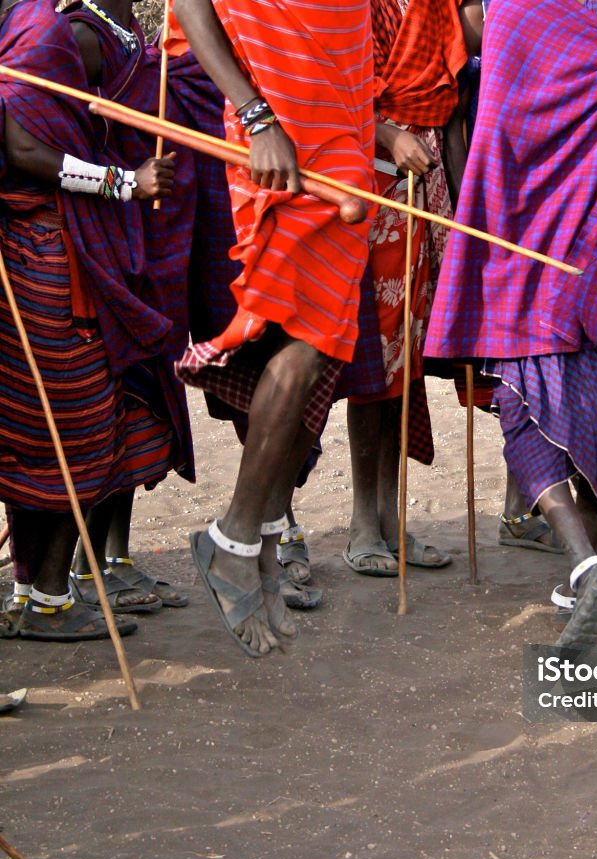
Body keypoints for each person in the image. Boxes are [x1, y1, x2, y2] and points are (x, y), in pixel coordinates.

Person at [424, 0, 597, 648]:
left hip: (528, 231)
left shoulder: (505, 14)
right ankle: (580, 576)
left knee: (523, 394)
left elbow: (473, 123)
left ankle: (582, 560)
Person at [174, 0, 373, 656]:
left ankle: (252, 541)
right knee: (303, 339)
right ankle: (232, 539)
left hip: (346, 143)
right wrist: (256, 115)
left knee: (317, 353)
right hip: (279, 142)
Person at [0, 0, 174, 641]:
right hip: (46, 255)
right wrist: (123, 183)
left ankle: (35, 593)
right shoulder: (48, 31)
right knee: (71, 427)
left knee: (58, 430)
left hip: (69, 248)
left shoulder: (47, 22)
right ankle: (43, 595)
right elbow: (21, 146)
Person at [66, 0, 196, 614]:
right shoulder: (78, 35)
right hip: (106, 238)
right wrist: (124, 181)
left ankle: (116, 557)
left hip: (150, 239)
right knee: (112, 395)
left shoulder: (127, 31)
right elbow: (50, 138)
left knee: (143, 394)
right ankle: (85, 566)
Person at [337, 0, 465, 577]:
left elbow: (453, 87)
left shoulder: (437, 5)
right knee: (376, 357)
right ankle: (364, 522)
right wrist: (387, 133)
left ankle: (390, 519)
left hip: (423, 185)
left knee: (405, 360)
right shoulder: (353, 7)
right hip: (363, 187)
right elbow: (330, 91)